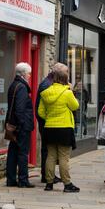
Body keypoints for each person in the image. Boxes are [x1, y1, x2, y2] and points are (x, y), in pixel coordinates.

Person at [38, 64, 81, 193]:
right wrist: (72, 91)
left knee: (50, 156)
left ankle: (49, 183)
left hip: (49, 128)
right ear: (65, 79)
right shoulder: (67, 93)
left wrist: (50, 117)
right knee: (63, 157)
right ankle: (67, 184)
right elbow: (75, 106)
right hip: (64, 128)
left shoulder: (45, 93)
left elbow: (40, 111)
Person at [5, 62, 35, 188]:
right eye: (28, 73)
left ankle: (11, 179)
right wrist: (22, 125)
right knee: (22, 153)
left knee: (12, 152)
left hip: (12, 124)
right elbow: (19, 109)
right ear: (23, 74)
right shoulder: (22, 87)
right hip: (20, 126)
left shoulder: (13, 85)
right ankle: (23, 180)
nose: (29, 75)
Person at [35, 63, 65, 184]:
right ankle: (47, 175)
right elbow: (43, 107)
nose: (66, 74)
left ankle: (48, 174)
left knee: (49, 149)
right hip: (47, 122)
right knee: (48, 149)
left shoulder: (48, 82)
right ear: (58, 73)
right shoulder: (47, 84)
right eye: (65, 72)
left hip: (47, 121)